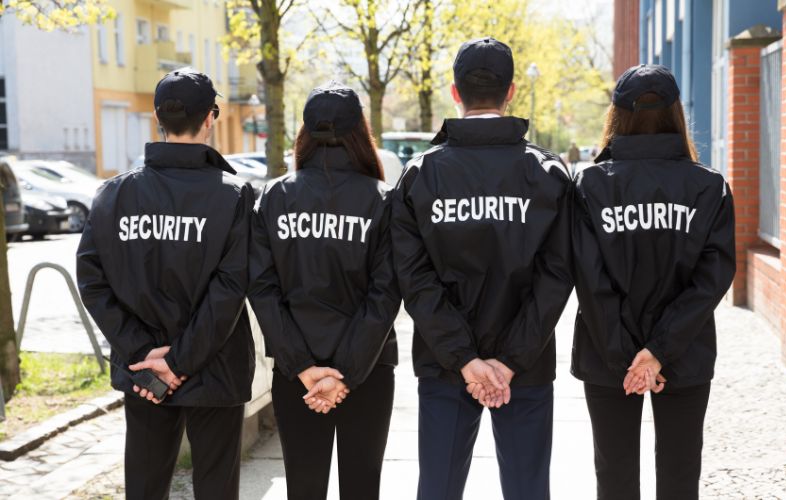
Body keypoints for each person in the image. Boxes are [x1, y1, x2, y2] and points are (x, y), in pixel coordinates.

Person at [392, 37, 573, 500]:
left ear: (455, 93)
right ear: (511, 92)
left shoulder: (421, 174)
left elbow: (414, 280)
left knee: (438, 488)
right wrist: (509, 361)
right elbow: (557, 278)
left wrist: (466, 361)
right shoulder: (548, 173)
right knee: (528, 489)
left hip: (445, 361)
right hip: (525, 364)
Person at [76, 68, 255, 500]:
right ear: (210, 118)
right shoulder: (234, 195)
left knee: (145, 484)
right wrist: (179, 361)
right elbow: (228, 292)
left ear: (157, 118)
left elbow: (92, 280)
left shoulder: (113, 194)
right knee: (216, 487)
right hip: (214, 368)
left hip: (144, 372)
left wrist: (143, 353)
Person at [571, 64, 736, 500]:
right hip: (685, 351)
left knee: (614, 477)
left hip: (609, 358)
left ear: (616, 115)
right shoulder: (709, 186)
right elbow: (712, 279)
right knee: (681, 477)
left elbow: (590, 281)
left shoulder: (590, 184)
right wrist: (657, 352)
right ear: (676, 114)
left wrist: (629, 355)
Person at [248, 81, 401, 500]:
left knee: (303, 485)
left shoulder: (274, 197)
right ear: (360, 132)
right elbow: (385, 294)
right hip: (367, 371)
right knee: (362, 485)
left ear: (305, 132)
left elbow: (262, 290)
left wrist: (303, 368)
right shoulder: (383, 200)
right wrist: (346, 373)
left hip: (298, 373)